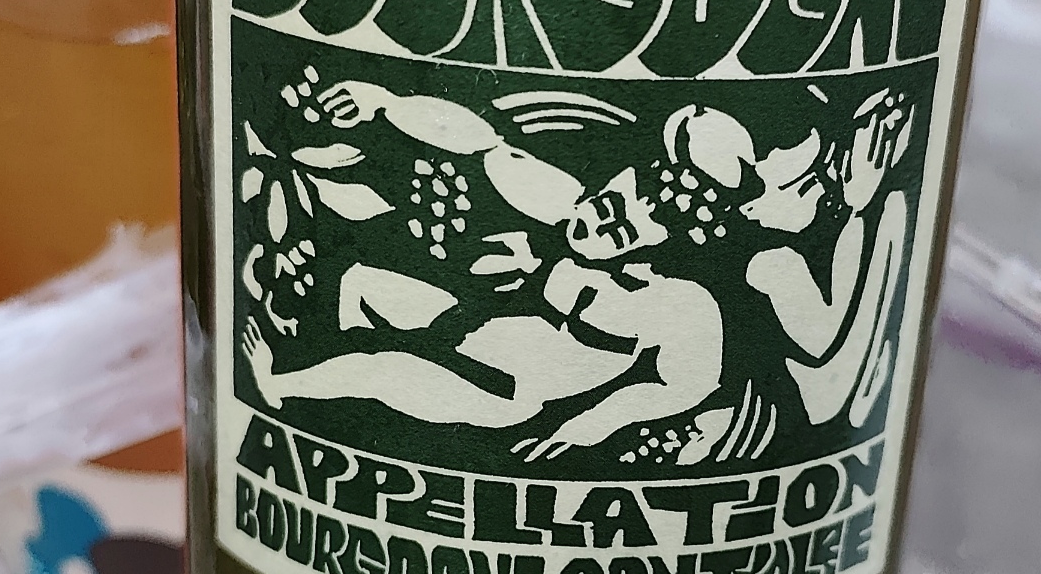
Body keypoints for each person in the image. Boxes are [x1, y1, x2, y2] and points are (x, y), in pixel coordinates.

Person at [241, 78, 913, 459]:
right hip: (472, 325)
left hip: (506, 389)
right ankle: (301, 396)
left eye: (621, 227)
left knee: (385, 371)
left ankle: (283, 384)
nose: (597, 220)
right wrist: (387, 103)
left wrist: (583, 427)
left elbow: (679, 388)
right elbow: (482, 142)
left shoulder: (684, 306)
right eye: (608, 201)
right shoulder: (567, 201)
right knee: (362, 286)